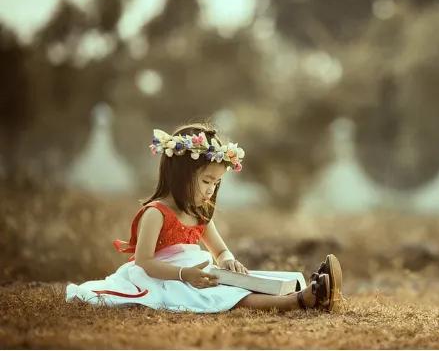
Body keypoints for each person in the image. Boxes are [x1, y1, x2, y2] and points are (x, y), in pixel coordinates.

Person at [66, 123, 342, 313]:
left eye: (216, 183)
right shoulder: (156, 213)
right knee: (226, 295)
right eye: (206, 181)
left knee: (245, 281)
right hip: (164, 279)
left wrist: (227, 260)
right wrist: (184, 274)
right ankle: (300, 301)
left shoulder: (199, 214)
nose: (211, 190)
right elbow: (144, 261)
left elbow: (219, 250)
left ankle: (312, 287)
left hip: (199, 274)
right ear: (180, 176)